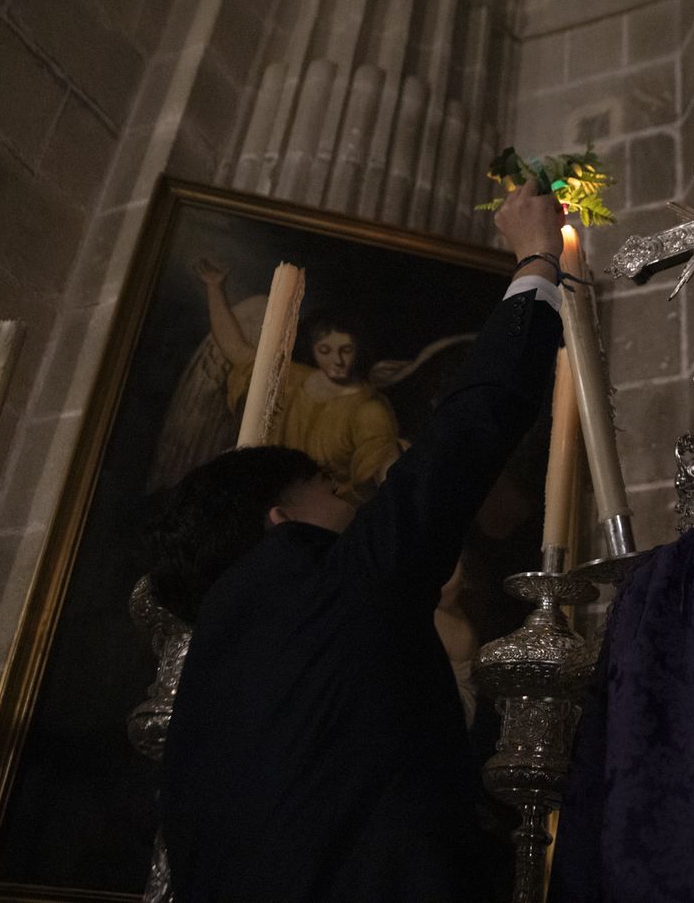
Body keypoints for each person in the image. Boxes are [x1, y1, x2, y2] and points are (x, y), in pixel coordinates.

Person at [151, 179, 565, 902]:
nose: (344, 496)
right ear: (279, 520)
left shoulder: (207, 678)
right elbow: (468, 431)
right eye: (324, 486)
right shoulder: (332, 587)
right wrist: (536, 259)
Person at [194, 264, 404, 503]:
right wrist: (215, 288)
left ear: (358, 350)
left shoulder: (368, 410)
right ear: (313, 350)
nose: (337, 360)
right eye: (325, 350)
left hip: (320, 518)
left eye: (346, 350)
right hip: (263, 502)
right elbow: (234, 347)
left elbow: (388, 479)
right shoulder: (289, 379)